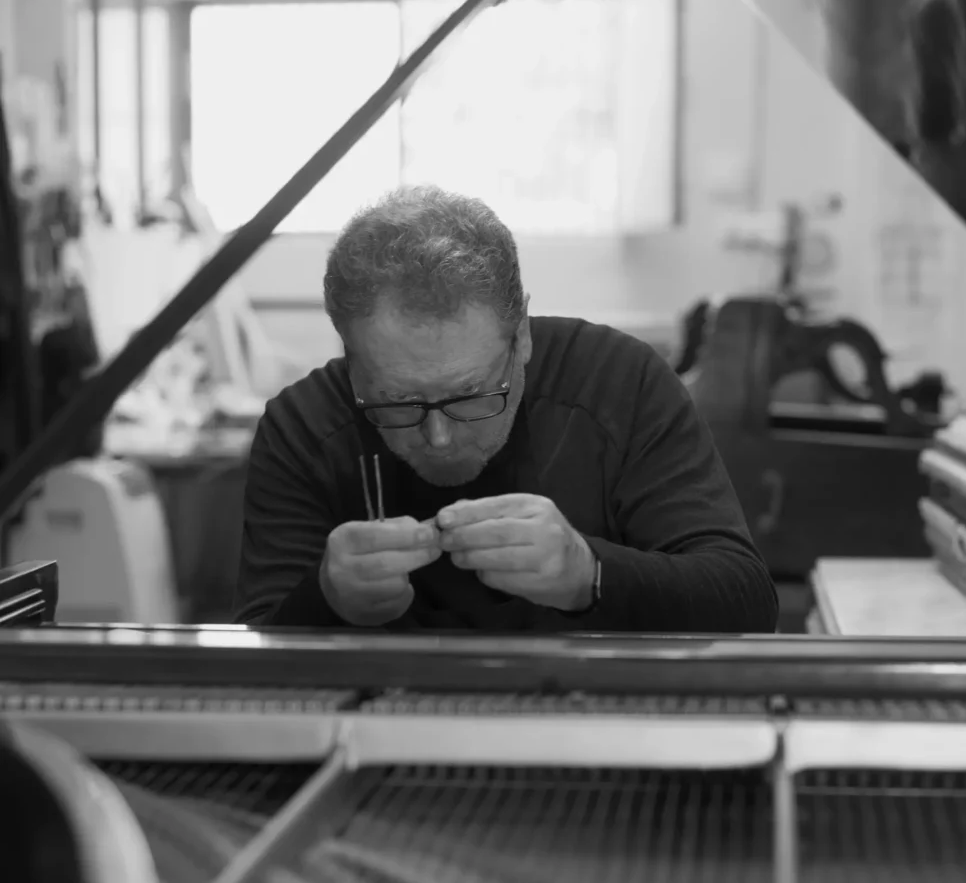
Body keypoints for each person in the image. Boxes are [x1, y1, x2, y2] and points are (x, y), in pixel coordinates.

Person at [234, 185, 778, 633]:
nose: (439, 437)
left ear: (522, 338)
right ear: (350, 358)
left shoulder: (618, 381)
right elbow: (252, 657)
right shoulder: (303, 426)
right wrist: (324, 599)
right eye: (397, 401)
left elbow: (746, 604)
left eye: (471, 393)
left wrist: (589, 574)